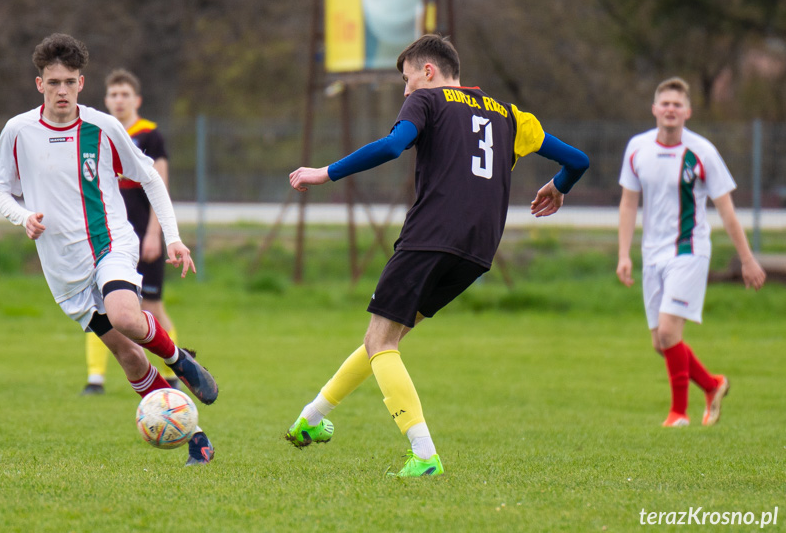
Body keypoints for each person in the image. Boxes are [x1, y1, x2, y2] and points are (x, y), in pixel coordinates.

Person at [285, 34, 590, 477]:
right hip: (478, 249)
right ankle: (309, 420)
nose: (406, 91)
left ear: (428, 72)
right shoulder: (510, 115)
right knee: (383, 338)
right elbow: (578, 160)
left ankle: (424, 454)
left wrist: (324, 173)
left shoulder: (427, 101)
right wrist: (558, 186)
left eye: (408, 80)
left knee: (381, 342)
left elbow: (392, 146)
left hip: (430, 235)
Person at [0, 33, 218, 466]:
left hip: (109, 241)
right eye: (53, 82)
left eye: (70, 82)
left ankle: (179, 359)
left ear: (81, 83)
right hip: (62, 267)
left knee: (127, 317)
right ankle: (196, 438)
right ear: (39, 84)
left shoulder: (102, 126)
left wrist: (172, 237)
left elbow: (150, 177)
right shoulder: (18, 131)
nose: (62, 91)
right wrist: (23, 217)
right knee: (130, 358)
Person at [617, 77, 766, 428]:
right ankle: (713, 385)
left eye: (677, 104)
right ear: (655, 109)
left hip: (690, 249)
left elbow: (726, 209)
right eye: (665, 103)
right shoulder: (637, 148)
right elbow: (627, 203)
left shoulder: (703, 152)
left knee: (669, 332)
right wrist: (623, 254)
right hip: (652, 253)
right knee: (660, 342)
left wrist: (747, 259)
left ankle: (678, 414)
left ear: (688, 112)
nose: (671, 109)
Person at [81, 69, 180, 396]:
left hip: (143, 235)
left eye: (125, 94)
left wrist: (155, 234)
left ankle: (174, 371)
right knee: (101, 306)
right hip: (107, 239)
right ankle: (96, 378)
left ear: (136, 100)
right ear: (106, 100)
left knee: (149, 305)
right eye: (113, 95)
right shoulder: (95, 132)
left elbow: (159, 184)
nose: (119, 100)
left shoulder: (150, 135)